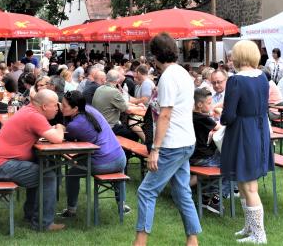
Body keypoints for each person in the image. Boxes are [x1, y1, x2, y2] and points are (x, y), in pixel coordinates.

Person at [133, 33, 201, 246]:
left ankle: (140, 243)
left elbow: (165, 115)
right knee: (182, 192)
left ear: (155, 56)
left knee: (146, 191)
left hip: (172, 144)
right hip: (186, 141)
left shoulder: (169, 77)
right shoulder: (182, 73)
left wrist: (155, 149)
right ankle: (193, 240)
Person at [0, 90, 66, 231]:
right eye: (55, 105)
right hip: (2, 165)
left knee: (40, 167)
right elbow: (58, 138)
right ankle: (44, 223)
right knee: (47, 176)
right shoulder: (34, 116)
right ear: (44, 106)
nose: (57, 109)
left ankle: (30, 216)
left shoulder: (28, 110)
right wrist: (60, 126)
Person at [220, 40, 271, 244]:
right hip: (259, 128)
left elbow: (229, 114)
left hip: (242, 131)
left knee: (248, 185)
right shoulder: (262, 77)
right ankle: (250, 227)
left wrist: (222, 120)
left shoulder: (236, 80)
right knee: (243, 182)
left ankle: (259, 234)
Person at [59, 90, 129, 218]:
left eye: (64, 105)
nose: (61, 107)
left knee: (72, 173)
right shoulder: (90, 109)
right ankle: (122, 204)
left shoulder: (75, 125)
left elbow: (65, 139)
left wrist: (59, 127)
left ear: (75, 108)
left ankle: (71, 210)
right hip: (120, 158)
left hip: (102, 163)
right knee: (117, 171)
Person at [189, 88, 229, 214]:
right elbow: (221, 128)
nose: (211, 105)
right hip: (201, 158)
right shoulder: (202, 118)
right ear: (200, 104)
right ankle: (217, 199)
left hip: (191, 155)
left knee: (219, 153)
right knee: (232, 166)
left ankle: (206, 197)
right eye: (209, 103)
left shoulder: (190, 115)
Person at [93, 69, 140, 141]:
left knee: (125, 127)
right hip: (109, 126)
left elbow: (122, 103)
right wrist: (140, 108)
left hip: (98, 124)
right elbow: (128, 110)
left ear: (106, 78)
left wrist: (135, 106)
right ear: (118, 80)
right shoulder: (114, 92)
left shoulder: (99, 89)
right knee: (134, 135)